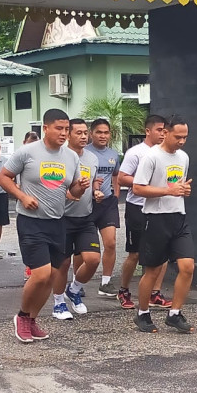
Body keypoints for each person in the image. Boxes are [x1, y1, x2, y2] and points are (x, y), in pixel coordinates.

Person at [0, 109, 89, 344]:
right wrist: (22, 196)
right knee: (40, 274)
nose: (64, 133)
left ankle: (32, 319)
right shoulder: (27, 152)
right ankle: (22, 316)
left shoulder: (71, 157)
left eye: (66, 129)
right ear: (45, 128)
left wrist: (82, 186)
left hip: (58, 221)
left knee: (52, 276)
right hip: (31, 222)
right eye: (59, 128)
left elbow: (72, 193)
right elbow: (3, 177)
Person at [132, 116, 194, 334]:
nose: (182, 141)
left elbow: (179, 186)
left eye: (185, 137)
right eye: (178, 136)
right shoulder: (151, 157)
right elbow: (138, 188)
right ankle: (142, 313)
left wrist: (183, 191)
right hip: (155, 218)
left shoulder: (183, 157)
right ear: (165, 133)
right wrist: (169, 190)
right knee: (152, 270)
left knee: (188, 267)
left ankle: (175, 314)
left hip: (178, 216)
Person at [50, 119, 104, 320]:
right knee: (63, 264)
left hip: (85, 217)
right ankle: (58, 304)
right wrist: (70, 193)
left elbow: (93, 182)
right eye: (78, 133)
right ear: (69, 135)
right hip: (62, 218)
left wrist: (96, 191)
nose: (83, 137)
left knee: (93, 259)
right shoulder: (61, 157)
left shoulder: (92, 158)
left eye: (85, 133)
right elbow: (52, 186)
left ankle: (74, 290)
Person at [116, 115, 172, 310]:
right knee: (135, 254)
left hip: (160, 208)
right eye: (159, 130)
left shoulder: (168, 153)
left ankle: (154, 294)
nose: (162, 134)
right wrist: (142, 182)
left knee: (162, 253)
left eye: (165, 130)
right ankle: (123, 290)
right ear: (148, 131)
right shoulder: (136, 153)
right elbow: (122, 178)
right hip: (137, 207)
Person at [84, 118, 121, 297]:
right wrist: (93, 189)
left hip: (107, 203)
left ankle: (106, 283)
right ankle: (78, 282)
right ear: (92, 134)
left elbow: (116, 175)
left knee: (111, 243)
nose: (103, 135)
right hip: (88, 203)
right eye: (99, 132)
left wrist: (116, 193)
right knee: (84, 249)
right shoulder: (84, 153)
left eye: (106, 132)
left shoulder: (113, 154)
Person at [20, 131, 40, 282]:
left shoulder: (43, 157)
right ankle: (29, 267)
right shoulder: (20, 156)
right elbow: (7, 179)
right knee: (28, 241)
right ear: (24, 143)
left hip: (46, 208)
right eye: (30, 143)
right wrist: (22, 196)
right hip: (26, 208)